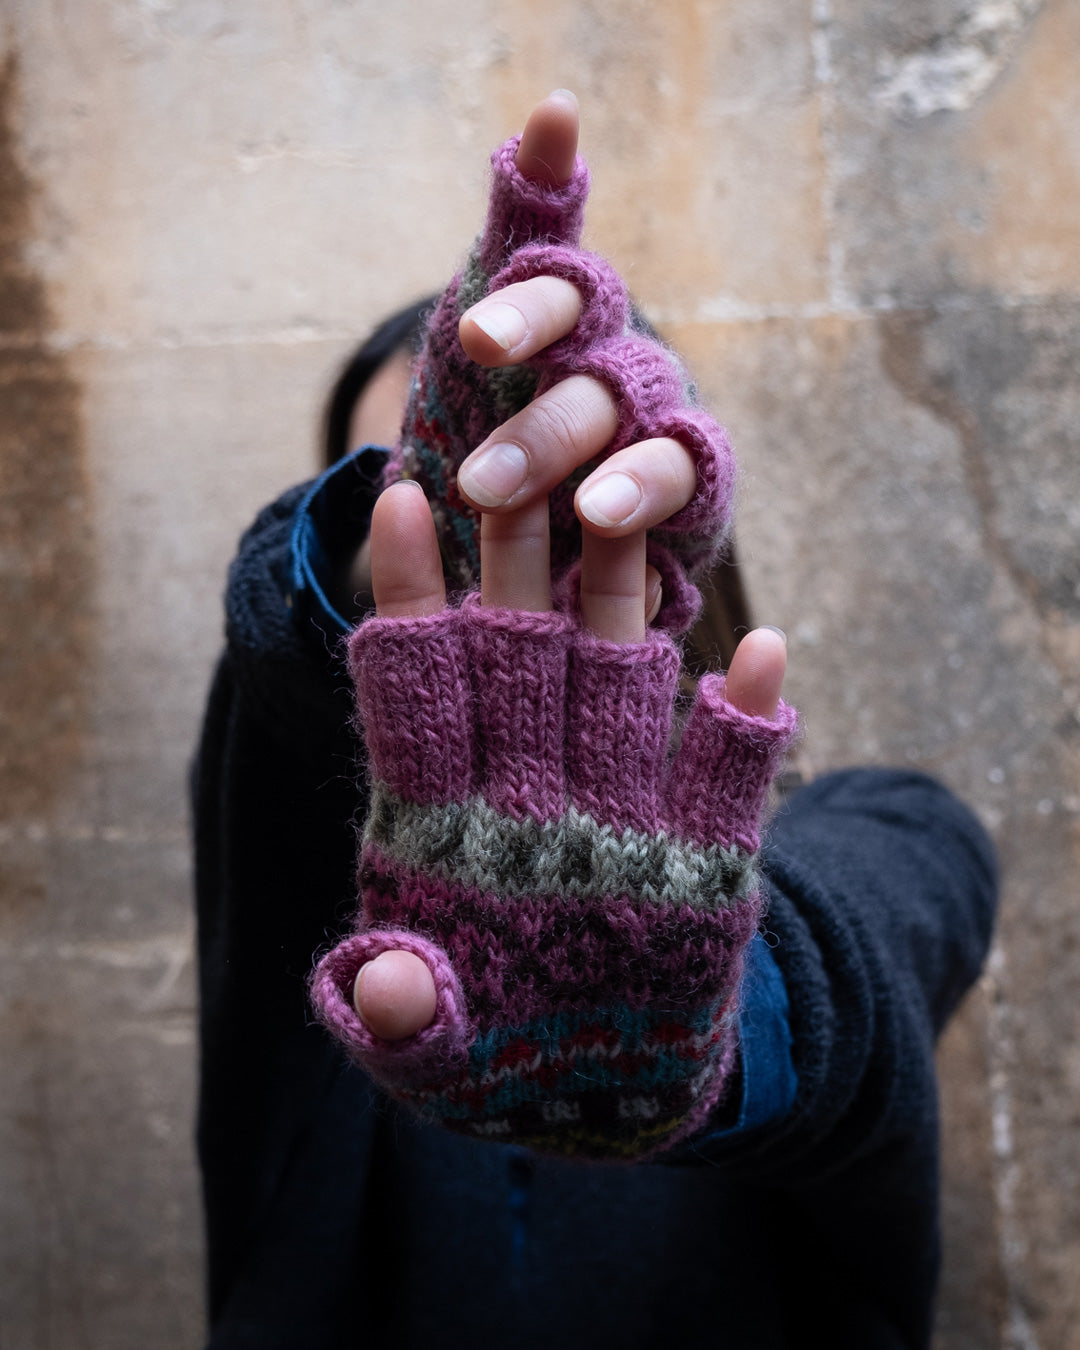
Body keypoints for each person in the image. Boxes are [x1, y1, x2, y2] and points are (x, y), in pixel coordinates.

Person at [193, 92, 997, 1347]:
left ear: (678, 534)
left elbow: (906, 900)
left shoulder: (885, 826)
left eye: (545, 514)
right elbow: (278, 720)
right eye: (410, 546)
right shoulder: (307, 845)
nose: (476, 603)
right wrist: (366, 569)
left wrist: (713, 1017)